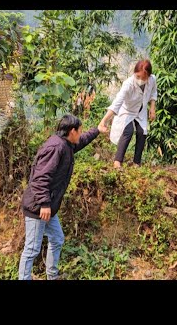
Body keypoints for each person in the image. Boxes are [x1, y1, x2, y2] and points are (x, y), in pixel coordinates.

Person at [18, 114, 104, 280]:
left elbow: (82, 140)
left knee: (57, 238)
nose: (81, 133)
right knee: (32, 249)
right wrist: (44, 203)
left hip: (49, 206)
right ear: (72, 131)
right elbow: (40, 179)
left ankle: (52, 275)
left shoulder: (66, 144)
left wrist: (97, 131)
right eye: (80, 131)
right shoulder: (56, 148)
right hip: (38, 207)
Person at [98, 59, 157, 169]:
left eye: (143, 78)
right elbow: (117, 102)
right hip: (127, 111)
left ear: (149, 76)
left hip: (141, 110)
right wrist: (104, 120)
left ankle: (137, 163)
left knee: (142, 132)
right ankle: (117, 162)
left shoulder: (152, 80)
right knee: (128, 131)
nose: (139, 80)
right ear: (134, 73)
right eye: (137, 76)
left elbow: (153, 92)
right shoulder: (128, 84)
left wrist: (152, 108)